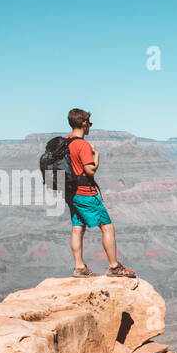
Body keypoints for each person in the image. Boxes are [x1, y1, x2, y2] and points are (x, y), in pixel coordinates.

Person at [64, 108, 135, 278]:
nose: (90, 126)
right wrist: (96, 155)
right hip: (85, 193)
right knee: (107, 227)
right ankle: (114, 267)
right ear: (83, 123)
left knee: (77, 227)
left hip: (70, 192)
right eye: (89, 123)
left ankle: (79, 267)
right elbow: (90, 170)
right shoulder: (82, 145)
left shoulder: (65, 142)